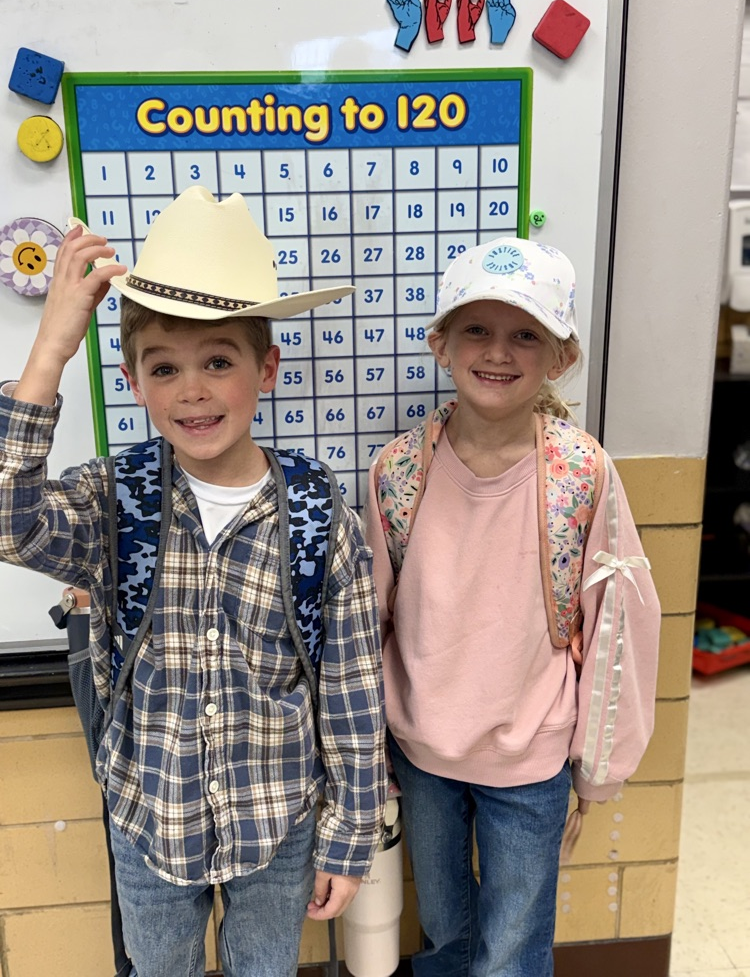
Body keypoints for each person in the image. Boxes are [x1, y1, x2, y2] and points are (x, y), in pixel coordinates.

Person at [0, 186, 387, 977]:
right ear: (135, 383)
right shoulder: (115, 498)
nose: (193, 390)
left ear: (266, 368)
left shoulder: (316, 509)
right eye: (164, 367)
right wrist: (50, 351)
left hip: (277, 822)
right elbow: (10, 522)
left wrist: (349, 836)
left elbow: (351, 683)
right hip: (151, 817)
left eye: (219, 361)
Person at [365, 237, 660, 977]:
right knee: (446, 934)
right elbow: (369, 619)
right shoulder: (399, 471)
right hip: (424, 752)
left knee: (512, 949)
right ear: (441, 343)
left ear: (559, 356)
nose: (498, 352)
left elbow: (617, 625)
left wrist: (596, 769)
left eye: (525, 333)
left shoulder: (581, 474)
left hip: (532, 761)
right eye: (477, 329)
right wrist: (364, 751)